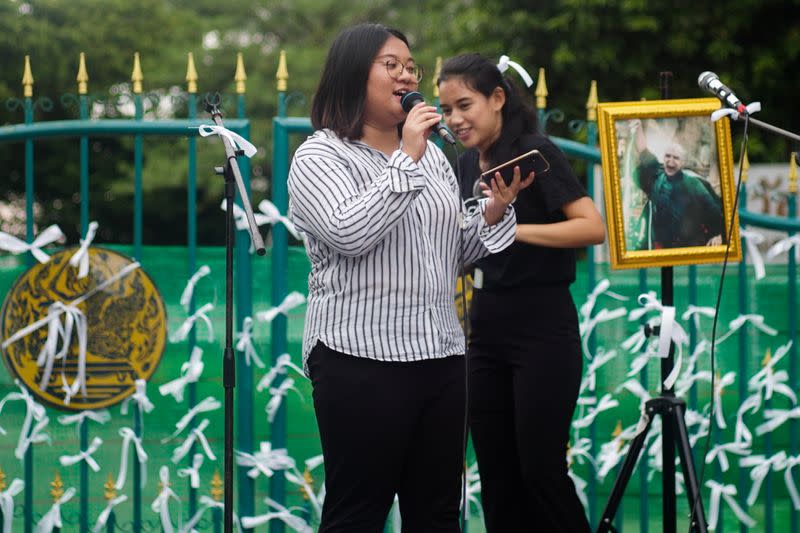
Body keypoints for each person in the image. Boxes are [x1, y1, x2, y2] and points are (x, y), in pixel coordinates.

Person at [287, 24, 531, 532]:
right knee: (358, 513)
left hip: (440, 357)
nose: (405, 75)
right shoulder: (319, 156)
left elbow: (454, 252)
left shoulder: (434, 160)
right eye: (390, 64)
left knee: (437, 515)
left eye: (410, 66)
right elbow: (348, 232)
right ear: (355, 73)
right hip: (359, 357)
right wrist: (406, 159)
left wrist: (492, 212)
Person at [437, 53, 605, 532]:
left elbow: (592, 228)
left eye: (464, 105)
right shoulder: (466, 160)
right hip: (485, 326)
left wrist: (513, 230)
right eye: (446, 110)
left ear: (497, 98)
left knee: (540, 469)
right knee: (497, 473)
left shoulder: (535, 153)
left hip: (543, 327)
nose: (455, 119)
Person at [630, 119, 724, 248]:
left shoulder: (694, 184)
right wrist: (639, 127)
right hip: (658, 245)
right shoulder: (657, 176)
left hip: (685, 245)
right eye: (668, 156)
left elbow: (714, 211)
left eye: (675, 158)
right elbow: (643, 152)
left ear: (683, 163)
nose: (670, 161)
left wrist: (717, 234)